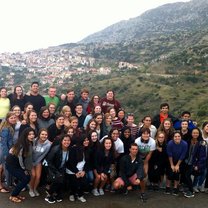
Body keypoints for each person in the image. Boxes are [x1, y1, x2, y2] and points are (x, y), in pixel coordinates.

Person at [5, 128, 36, 203]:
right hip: (12, 165)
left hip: (17, 164)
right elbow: (20, 158)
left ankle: (16, 193)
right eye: (29, 134)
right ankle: (13, 195)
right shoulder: (22, 144)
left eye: (33, 134)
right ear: (25, 135)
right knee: (25, 178)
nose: (32, 136)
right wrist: (24, 169)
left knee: (26, 178)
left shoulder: (30, 142)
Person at [45, 134, 71, 204]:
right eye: (65, 140)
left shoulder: (69, 149)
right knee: (57, 179)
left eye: (68, 140)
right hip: (53, 168)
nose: (67, 142)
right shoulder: (55, 149)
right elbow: (49, 162)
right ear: (61, 141)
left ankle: (57, 194)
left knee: (61, 180)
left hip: (61, 168)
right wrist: (56, 172)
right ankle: (49, 195)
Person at [66, 134, 90, 203]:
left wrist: (84, 171)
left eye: (87, 140)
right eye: (84, 140)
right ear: (81, 141)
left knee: (84, 182)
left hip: (81, 170)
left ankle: (80, 195)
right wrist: (76, 172)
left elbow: (87, 163)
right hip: (72, 170)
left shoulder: (87, 149)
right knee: (74, 182)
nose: (86, 142)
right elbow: (71, 162)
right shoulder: (74, 149)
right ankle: (72, 194)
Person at [29, 129, 51, 197]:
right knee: (33, 175)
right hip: (30, 160)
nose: (44, 136)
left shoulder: (48, 144)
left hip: (38, 161)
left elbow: (43, 155)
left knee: (38, 176)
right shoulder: (34, 140)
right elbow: (30, 152)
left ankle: (35, 189)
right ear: (39, 134)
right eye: (42, 134)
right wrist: (32, 163)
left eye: (46, 134)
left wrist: (36, 163)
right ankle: (31, 189)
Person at [166, 131, 188, 196]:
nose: (177, 138)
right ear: (173, 137)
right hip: (171, 159)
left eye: (179, 136)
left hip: (180, 160)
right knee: (169, 172)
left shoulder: (184, 144)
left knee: (177, 173)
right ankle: (168, 186)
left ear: (181, 137)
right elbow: (169, 155)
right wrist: (172, 165)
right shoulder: (170, 143)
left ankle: (176, 187)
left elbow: (183, 155)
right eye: (175, 136)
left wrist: (177, 165)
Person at [0, 112, 16, 191]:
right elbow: (4, 143)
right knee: (4, 168)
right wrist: (6, 155)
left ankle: (6, 185)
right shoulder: (6, 128)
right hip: (4, 151)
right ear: (7, 119)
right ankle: (4, 186)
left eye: (14, 117)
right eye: (11, 118)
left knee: (3, 168)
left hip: (5, 150)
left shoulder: (9, 126)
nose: (13, 119)